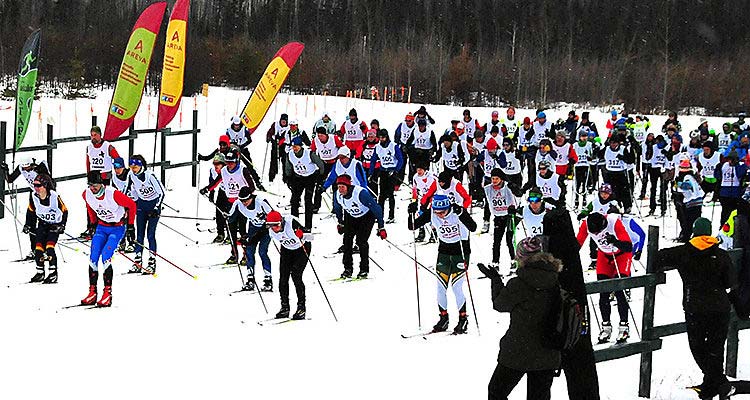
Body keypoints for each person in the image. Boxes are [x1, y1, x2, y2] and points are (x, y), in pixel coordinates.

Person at [656, 218, 738, 400]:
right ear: (709, 232)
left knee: (698, 347)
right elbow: (730, 282)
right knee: (716, 348)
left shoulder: (683, 252)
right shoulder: (722, 254)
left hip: (695, 307)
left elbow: (659, 257)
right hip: (720, 307)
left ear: (694, 231)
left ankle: (719, 384)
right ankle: (714, 386)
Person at [478, 236, 562, 400]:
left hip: (519, 350)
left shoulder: (519, 283)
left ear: (522, 257)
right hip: (549, 350)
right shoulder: (555, 279)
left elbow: (500, 304)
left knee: (496, 391)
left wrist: (496, 281)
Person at [542, 207, 602, 400]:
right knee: (582, 364)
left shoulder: (550, 245)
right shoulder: (569, 244)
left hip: (560, 312)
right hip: (578, 308)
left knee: (545, 371)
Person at [408, 193, 477, 333]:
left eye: (443, 212)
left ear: (448, 207)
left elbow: (473, 227)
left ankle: (463, 319)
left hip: (460, 251)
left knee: (456, 287)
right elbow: (412, 226)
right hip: (444, 252)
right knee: (440, 287)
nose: (439, 215)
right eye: (437, 212)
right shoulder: (432, 212)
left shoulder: (457, 211)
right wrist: (411, 212)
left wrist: (462, 214)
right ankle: (443, 318)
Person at [80, 171, 137, 307]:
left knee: (106, 255)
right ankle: (92, 292)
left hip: (117, 228)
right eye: (90, 185)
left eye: (94, 185)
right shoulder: (86, 194)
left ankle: (107, 293)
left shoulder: (113, 194)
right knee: (93, 257)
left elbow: (131, 205)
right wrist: (92, 223)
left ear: (101, 184)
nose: (92, 189)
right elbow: (90, 206)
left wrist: (130, 226)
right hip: (101, 227)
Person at [576, 212, 633, 344]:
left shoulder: (613, 221)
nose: (596, 235)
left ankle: (624, 326)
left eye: (598, 232)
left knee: (620, 291)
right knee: (603, 292)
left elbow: (628, 247)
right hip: (604, 256)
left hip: (621, 256)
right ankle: (606, 326)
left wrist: (615, 241)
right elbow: (577, 244)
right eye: (593, 233)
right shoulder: (586, 224)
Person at [200, 147, 256, 264]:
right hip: (230, 204)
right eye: (227, 162)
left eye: (231, 162)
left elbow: (252, 187)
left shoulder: (242, 170)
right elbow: (216, 182)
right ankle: (234, 255)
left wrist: (245, 195)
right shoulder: (224, 171)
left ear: (236, 161)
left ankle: (246, 255)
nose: (229, 165)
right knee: (231, 230)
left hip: (242, 203)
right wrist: (207, 189)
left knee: (242, 230)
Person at [333, 175, 386, 279]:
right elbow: (337, 208)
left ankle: (364, 269)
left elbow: (377, 208)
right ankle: (348, 269)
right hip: (351, 216)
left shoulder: (361, 193)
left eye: (342, 187)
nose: (340, 190)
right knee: (347, 241)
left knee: (361, 241)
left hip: (366, 216)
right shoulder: (337, 195)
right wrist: (340, 223)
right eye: (339, 187)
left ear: (348, 186)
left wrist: (381, 227)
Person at [1, 157, 53, 259]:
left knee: (44, 222)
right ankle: (34, 249)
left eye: (28, 168)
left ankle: (46, 249)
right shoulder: (21, 167)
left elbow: (51, 184)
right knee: (29, 223)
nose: (26, 170)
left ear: (32, 165)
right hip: (33, 194)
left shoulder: (40, 167)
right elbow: (10, 179)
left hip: (44, 195)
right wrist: (5, 171)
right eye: (24, 168)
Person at [265, 210, 310, 320]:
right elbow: (257, 236)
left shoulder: (291, 223)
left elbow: (310, 236)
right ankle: (285, 307)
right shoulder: (271, 229)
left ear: (281, 222)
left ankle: (301, 308)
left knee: (296, 275)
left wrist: (302, 234)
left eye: (276, 225)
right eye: (271, 226)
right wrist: (247, 241)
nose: (274, 229)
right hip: (287, 250)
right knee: (283, 278)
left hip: (302, 249)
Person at [124, 155, 165, 274]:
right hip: (141, 206)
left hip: (153, 207)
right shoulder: (131, 175)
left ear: (141, 165)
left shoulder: (149, 175)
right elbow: (125, 190)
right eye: (131, 166)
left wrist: (156, 208)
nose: (133, 169)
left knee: (150, 234)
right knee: (139, 234)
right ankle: (137, 260)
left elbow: (161, 192)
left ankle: (152, 261)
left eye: (135, 166)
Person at [229, 187, 275, 292]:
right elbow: (231, 217)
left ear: (251, 197)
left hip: (266, 229)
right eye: (242, 200)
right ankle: (250, 279)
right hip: (253, 228)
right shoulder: (238, 203)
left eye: (246, 200)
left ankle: (268, 279)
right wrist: (226, 217)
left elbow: (274, 217)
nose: (244, 203)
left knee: (262, 252)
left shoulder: (261, 202)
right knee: (249, 252)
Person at [24, 173, 67, 284]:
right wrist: (28, 224)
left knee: (49, 248)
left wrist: (62, 225)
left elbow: (65, 210)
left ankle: (53, 273)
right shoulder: (34, 197)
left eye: (38, 185)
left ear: (45, 186)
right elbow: (30, 211)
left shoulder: (54, 196)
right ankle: (40, 272)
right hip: (43, 225)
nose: (36, 188)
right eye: (34, 185)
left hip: (54, 226)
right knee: (38, 249)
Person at [284, 136, 324, 230]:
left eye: (296, 147)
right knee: (294, 200)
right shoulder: (290, 154)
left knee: (308, 200)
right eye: (293, 147)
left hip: (310, 177)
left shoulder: (309, 153)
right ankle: (295, 224)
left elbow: (320, 164)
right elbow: (288, 166)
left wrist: (321, 176)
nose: (294, 149)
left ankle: (308, 226)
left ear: (301, 146)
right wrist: (288, 178)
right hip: (298, 178)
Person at [483, 168, 519, 268]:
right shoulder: (488, 188)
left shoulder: (508, 186)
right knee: (497, 241)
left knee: (509, 240)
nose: (494, 181)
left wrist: (515, 189)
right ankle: (495, 262)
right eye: (492, 178)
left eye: (496, 179)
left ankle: (514, 260)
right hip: (498, 217)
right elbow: (484, 199)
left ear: (501, 179)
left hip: (509, 216)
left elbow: (519, 194)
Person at [368, 129, 404, 223]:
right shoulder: (378, 147)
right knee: (382, 196)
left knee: (390, 194)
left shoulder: (393, 146)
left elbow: (400, 159)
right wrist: (371, 173)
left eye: (383, 137)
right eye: (380, 137)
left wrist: (396, 170)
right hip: (383, 171)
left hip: (392, 171)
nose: (381, 139)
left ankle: (391, 216)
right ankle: (380, 215)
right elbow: (373, 160)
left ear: (387, 137)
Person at [310, 125, 343, 212]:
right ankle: (316, 206)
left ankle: (336, 206)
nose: (320, 138)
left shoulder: (333, 138)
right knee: (319, 184)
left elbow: (342, 147)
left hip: (335, 163)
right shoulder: (316, 140)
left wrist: (341, 159)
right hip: (324, 163)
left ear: (326, 135)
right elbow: (312, 151)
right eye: (318, 136)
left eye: (321, 136)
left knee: (335, 185)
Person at [714, 151, 748, 229]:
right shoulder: (723, 165)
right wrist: (718, 168)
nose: (729, 162)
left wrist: (736, 165)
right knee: (725, 212)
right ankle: (723, 226)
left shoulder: (740, 166)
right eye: (728, 159)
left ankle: (735, 227)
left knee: (735, 212)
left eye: (731, 160)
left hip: (735, 192)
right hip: (724, 192)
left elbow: (740, 174)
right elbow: (717, 176)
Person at [674, 159, 705, 242]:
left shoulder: (687, 177)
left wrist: (678, 184)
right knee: (694, 219)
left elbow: (687, 186)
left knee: (689, 220)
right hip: (697, 201)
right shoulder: (692, 176)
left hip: (692, 201)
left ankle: (688, 236)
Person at [409, 161, 437, 243]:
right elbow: (414, 190)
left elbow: (436, 187)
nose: (419, 171)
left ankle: (434, 233)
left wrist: (429, 196)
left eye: (420, 169)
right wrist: (414, 200)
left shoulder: (431, 176)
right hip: (424, 197)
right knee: (421, 213)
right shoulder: (415, 177)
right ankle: (421, 232)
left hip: (434, 196)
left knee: (432, 214)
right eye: (417, 169)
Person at [404, 117, 437, 182]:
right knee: (414, 166)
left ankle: (425, 181)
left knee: (425, 168)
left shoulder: (430, 132)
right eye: (420, 126)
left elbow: (434, 143)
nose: (421, 128)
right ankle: (412, 181)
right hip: (417, 150)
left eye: (422, 126)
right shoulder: (415, 131)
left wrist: (432, 150)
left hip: (426, 151)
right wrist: (406, 147)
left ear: (425, 126)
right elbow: (410, 140)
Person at [573, 129, 595, 209]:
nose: (584, 138)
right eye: (583, 136)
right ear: (579, 137)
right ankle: (576, 199)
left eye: (586, 136)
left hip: (585, 166)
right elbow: (573, 155)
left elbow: (591, 155)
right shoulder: (575, 145)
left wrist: (590, 157)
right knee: (577, 183)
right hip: (577, 166)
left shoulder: (589, 144)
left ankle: (584, 199)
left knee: (585, 183)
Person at [265, 113, 290, 182]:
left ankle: (285, 178)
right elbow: (270, 132)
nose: (283, 122)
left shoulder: (288, 127)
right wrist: (269, 137)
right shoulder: (275, 124)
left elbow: (288, 137)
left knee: (285, 162)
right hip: (275, 145)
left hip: (284, 147)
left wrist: (282, 140)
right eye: (282, 121)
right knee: (273, 161)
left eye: (285, 121)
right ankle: (271, 176)